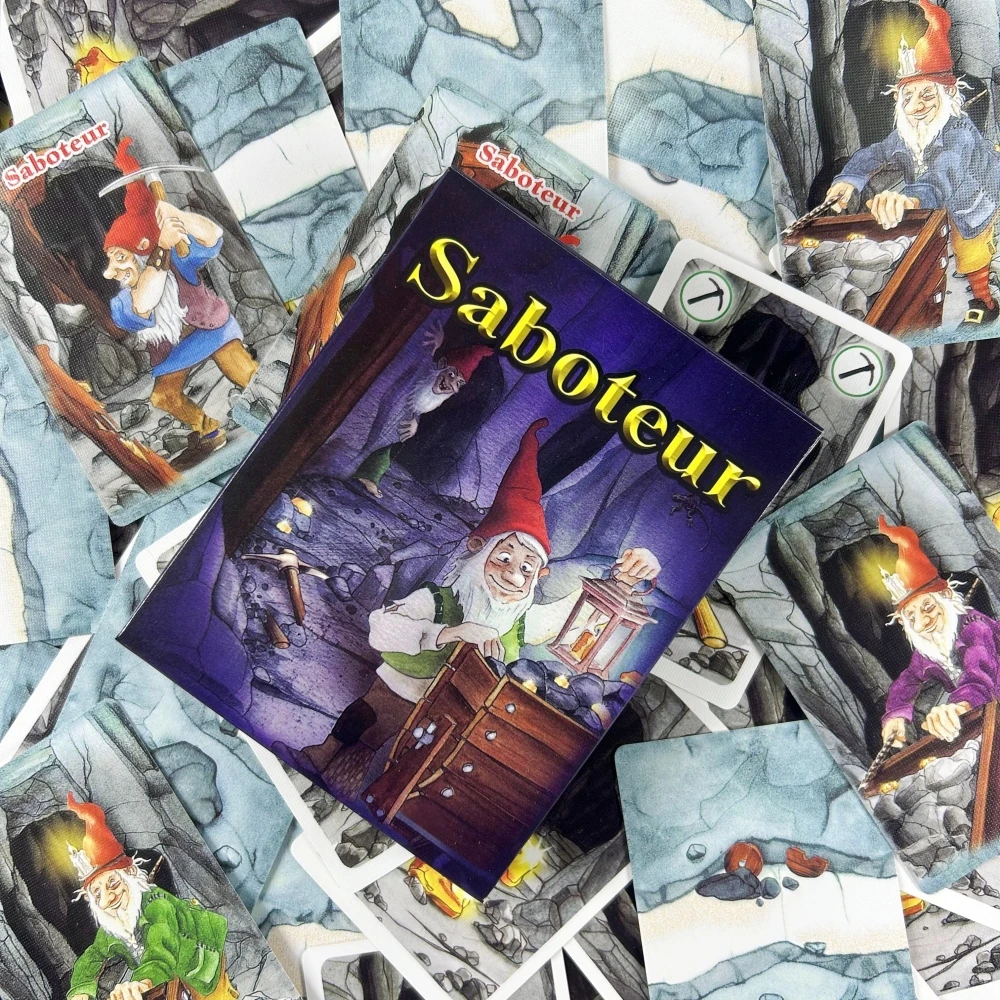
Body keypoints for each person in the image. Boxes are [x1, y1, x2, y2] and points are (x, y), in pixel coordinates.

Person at [298, 418, 660, 775]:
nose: (512, 575)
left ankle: (355, 778)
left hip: (444, 713)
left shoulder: (519, 621)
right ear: (477, 549)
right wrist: (450, 632)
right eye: (504, 558)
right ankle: (322, 754)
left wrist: (622, 581)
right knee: (362, 722)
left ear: (539, 577)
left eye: (526, 569)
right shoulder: (437, 600)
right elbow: (381, 627)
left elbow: (571, 618)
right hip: (395, 689)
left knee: (392, 757)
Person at [823, 0, 1000, 327]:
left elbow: (944, 173)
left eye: (927, 96)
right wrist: (849, 179)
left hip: (976, 197)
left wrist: (908, 199)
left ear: (946, 95)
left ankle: (984, 302)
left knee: (970, 251)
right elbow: (874, 153)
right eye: (908, 97)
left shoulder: (958, 134)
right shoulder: (906, 133)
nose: (916, 106)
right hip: (937, 198)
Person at [103, 138, 258, 452]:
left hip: (212, 330)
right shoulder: (123, 302)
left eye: (119, 258)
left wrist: (180, 218)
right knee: (163, 396)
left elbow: (213, 237)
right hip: (172, 351)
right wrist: (162, 245)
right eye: (111, 259)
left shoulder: (179, 258)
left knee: (247, 375)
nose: (112, 271)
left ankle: (285, 404)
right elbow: (145, 300)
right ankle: (208, 428)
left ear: (140, 252)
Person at [66, 794, 236, 1000]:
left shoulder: (157, 905)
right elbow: (92, 957)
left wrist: (141, 983)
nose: (108, 898)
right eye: (97, 893)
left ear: (129, 873)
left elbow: (160, 949)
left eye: (113, 884)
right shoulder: (113, 926)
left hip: (200, 964)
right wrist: (81, 990)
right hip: (167, 976)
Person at [879, 515, 1000, 744]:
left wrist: (957, 707)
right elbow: (908, 679)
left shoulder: (976, 628)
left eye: (928, 607)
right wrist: (895, 714)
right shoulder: (928, 650)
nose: (923, 621)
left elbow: (978, 675)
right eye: (912, 617)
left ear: (945, 595)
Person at [353, 326, 492, 497]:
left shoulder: (433, 399)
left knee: (387, 447)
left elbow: (419, 405)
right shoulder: (424, 369)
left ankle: (368, 475)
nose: (451, 383)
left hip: (393, 426)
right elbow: (421, 359)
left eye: (458, 383)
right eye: (451, 374)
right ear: (441, 365)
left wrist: (414, 422)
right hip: (376, 409)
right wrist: (437, 345)